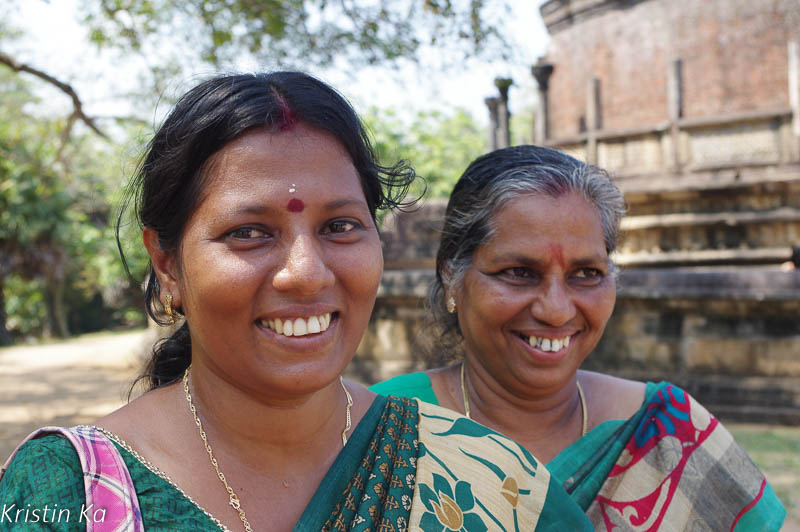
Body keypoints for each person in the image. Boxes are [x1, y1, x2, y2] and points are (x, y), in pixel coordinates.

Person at [0, 73, 592, 531]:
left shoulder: (486, 479)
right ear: (166, 263)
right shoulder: (66, 493)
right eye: (249, 232)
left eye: (340, 227)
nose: (306, 274)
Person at [371, 145, 786, 530]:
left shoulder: (667, 431)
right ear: (451, 278)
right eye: (519, 272)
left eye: (586, 274)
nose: (557, 310)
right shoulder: (379, 434)